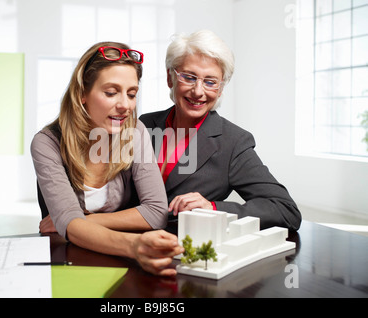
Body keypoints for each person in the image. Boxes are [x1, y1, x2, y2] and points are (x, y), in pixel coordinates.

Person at [31, 42, 183, 276]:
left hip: (117, 264)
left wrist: (76, 222)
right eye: (111, 93)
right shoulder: (46, 143)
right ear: (82, 93)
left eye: (131, 94)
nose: (125, 106)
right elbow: (69, 227)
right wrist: (133, 244)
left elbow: (156, 212)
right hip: (68, 262)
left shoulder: (136, 131)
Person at [139, 30, 301, 232]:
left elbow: (286, 210)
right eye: (189, 77)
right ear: (170, 77)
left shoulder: (233, 142)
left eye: (210, 82)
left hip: (180, 253)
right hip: (122, 242)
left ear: (221, 88)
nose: (198, 91)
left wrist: (212, 208)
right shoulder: (144, 124)